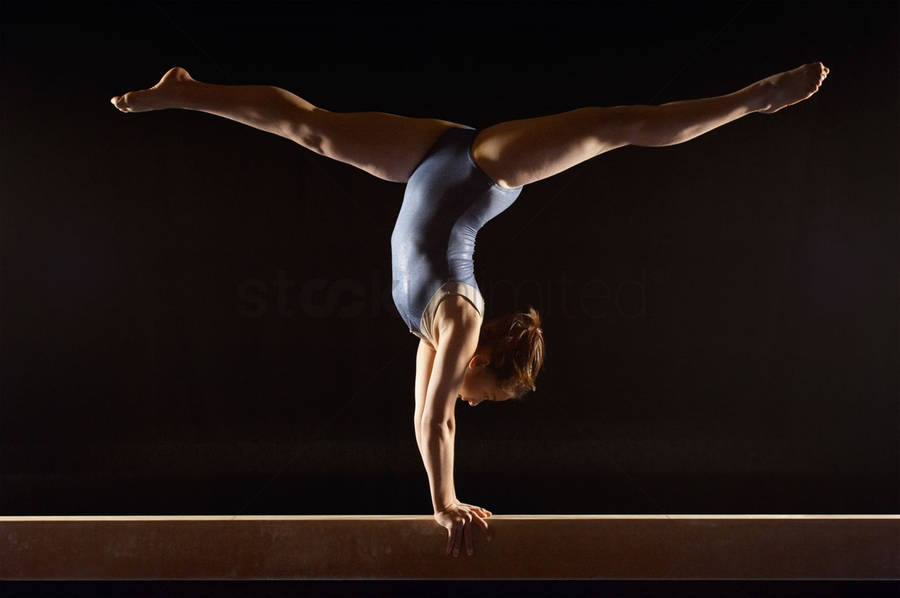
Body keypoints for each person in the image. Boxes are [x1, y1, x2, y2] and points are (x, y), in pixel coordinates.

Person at [110, 61, 830, 558]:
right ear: (482, 359)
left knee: (314, 130)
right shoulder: (459, 318)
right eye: (489, 393)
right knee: (614, 125)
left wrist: (440, 492)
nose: (476, 403)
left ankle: (189, 91)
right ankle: (751, 99)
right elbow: (440, 419)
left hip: (429, 159)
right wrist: (445, 502)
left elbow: (422, 414)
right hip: (487, 168)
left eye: (483, 402)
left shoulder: (427, 331)